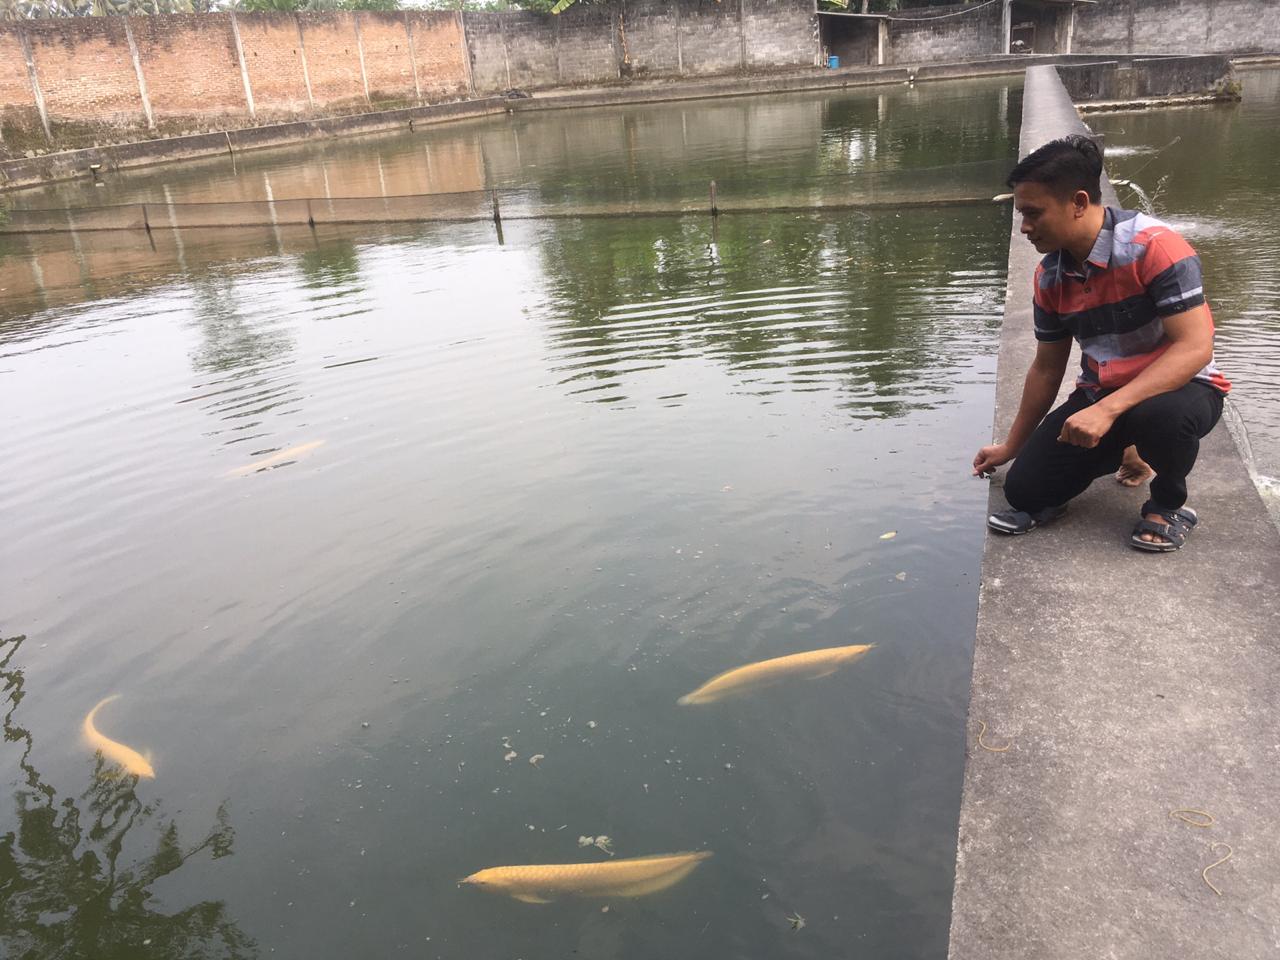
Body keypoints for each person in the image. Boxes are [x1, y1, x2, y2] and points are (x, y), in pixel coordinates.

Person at [972, 135, 1230, 552]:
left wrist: (1107, 411)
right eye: (1022, 215)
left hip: (1180, 389)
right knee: (1024, 492)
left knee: (1163, 417)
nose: (1024, 228)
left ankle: (1167, 504)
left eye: (1034, 213)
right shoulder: (1050, 277)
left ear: (1077, 202)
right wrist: (1011, 446)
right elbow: (1046, 367)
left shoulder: (1155, 248)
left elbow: (1195, 348)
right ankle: (1128, 448)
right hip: (1101, 394)